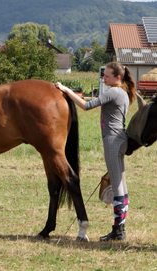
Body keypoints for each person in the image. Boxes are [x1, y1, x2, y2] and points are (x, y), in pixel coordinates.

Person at [55, 62, 136, 241]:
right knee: (120, 184)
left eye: (107, 76)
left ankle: (119, 230)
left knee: (117, 186)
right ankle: (119, 228)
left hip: (112, 141)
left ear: (117, 78)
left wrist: (66, 90)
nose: (103, 78)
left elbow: (85, 106)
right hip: (120, 140)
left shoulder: (113, 92)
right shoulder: (122, 91)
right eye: (103, 75)